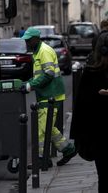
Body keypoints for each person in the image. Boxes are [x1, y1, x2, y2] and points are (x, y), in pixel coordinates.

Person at [21, 27, 76, 166]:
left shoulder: (44, 51)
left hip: (51, 95)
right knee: (48, 127)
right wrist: (29, 83)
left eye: (28, 40)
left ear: (35, 39)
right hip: (47, 93)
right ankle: (68, 149)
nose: (26, 43)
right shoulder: (38, 51)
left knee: (42, 128)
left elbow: (48, 73)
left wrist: (30, 86)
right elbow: (40, 74)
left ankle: (41, 158)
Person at [70, 32, 108, 193]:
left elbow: (81, 108)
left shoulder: (90, 72)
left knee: (104, 178)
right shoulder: (91, 72)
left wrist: (80, 140)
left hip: (98, 137)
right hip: (100, 137)